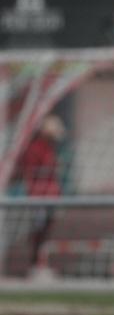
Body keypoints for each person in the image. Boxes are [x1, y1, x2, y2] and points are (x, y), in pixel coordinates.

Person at [16, 115, 65, 271]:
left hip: (50, 195)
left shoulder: (49, 149)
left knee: (45, 229)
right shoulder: (35, 149)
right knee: (39, 230)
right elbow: (32, 171)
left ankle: (39, 263)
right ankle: (36, 263)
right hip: (39, 196)